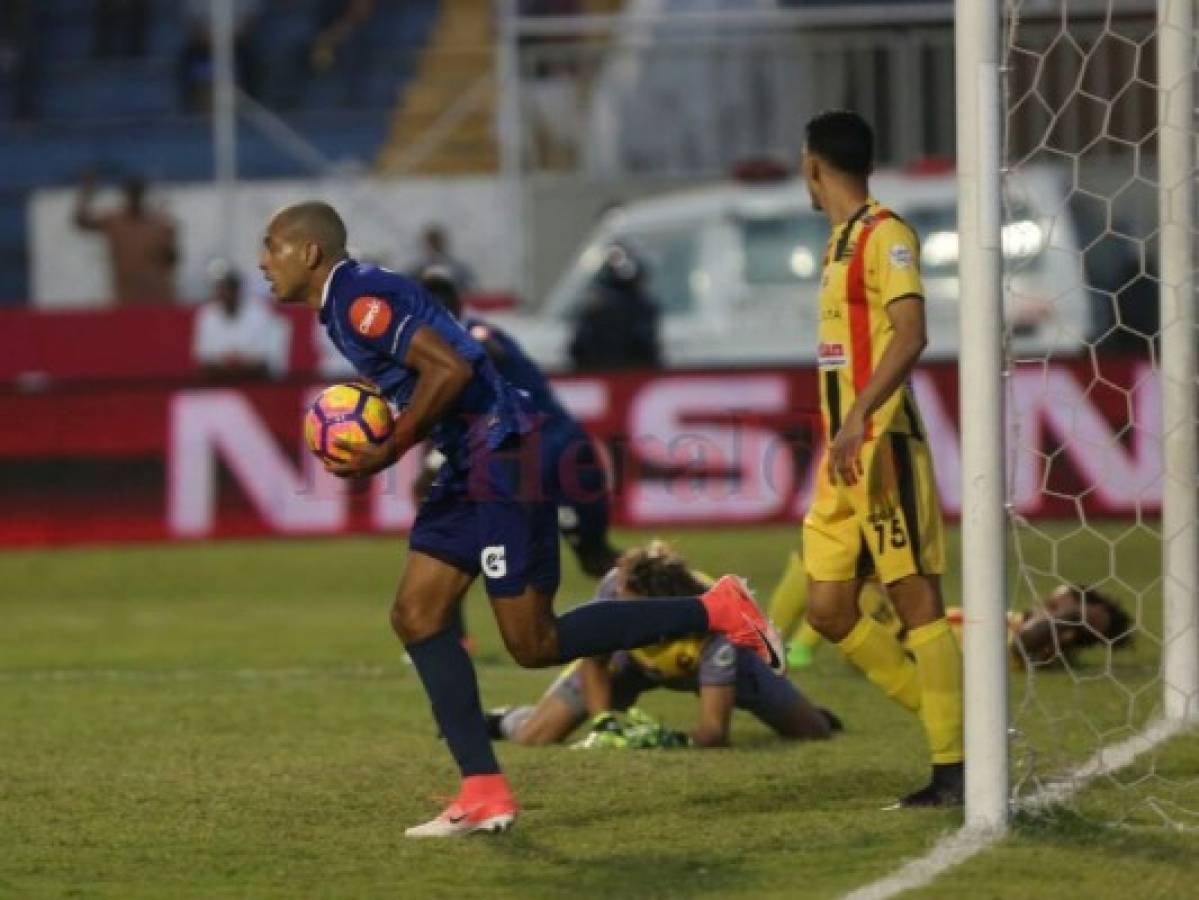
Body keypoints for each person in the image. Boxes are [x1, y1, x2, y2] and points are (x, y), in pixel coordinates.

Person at [257, 201, 784, 838]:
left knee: (534, 642)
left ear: (309, 252)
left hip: (499, 453)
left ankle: (719, 610)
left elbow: (452, 367)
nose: (263, 262)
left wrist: (389, 447)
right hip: (469, 457)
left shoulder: (358, 298)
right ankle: (482, 792)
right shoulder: (344, 305)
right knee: (417, 614)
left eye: (271, 247)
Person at [798, 110, 963, 808]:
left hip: (881, 441)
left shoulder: (885, 234)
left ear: (812, 166)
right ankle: (956, 729)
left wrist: (862, 412)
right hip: (841, 452)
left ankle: (956, 766)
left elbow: (911, 332)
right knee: (827, 610)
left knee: (913, 598)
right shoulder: (839, 241)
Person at [488, 542, 838, 749]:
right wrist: (605, 722)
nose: (622, 612)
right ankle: (504, 718)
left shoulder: (718, 629)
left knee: (812, 732)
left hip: (705, 667)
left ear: (661, 605)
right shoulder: (615, 586)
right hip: (626, 665)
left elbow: (714, 733)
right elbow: (593, 663)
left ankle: (806, 709)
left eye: (634, 607)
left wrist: (663, 739)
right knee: (534, 735)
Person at [418, 266, 619, 578]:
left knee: (593, 560)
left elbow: (488, 351)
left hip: (551, 449)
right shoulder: (440, 357)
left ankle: (696, 600)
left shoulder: (475, 335)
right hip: (540, 452)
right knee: (589, 560)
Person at [74, 171, 178, 305]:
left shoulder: (159, 225)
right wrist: (87, 192)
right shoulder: (114, 221)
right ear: (126, 195)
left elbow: (172, 261)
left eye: (137, 193)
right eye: (132, 193)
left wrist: (168, 241)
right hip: (126, 299)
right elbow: (81, 221)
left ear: (143, 195)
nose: (135, 198)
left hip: (159, 299)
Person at [568, 243, 662, 371]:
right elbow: (578, 347)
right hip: (600, 370)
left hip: (633, 372)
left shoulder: (641, 306)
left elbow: (646, 345)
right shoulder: (597, 302)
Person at [192, 261, 290, 381]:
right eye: (220, 287)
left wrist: (238, 365)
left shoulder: (260, 312)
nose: (224, 293)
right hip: (218, 383)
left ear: (237, 288)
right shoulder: (207, 314)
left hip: (257, 383)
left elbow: (265, 362)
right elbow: (204, 360)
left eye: (228, 287)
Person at [406, 225, 476, 293]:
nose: (435, 245)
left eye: (437, 242)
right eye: (432, 242)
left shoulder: (459, 269)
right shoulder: (416, 270)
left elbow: (471, 290)